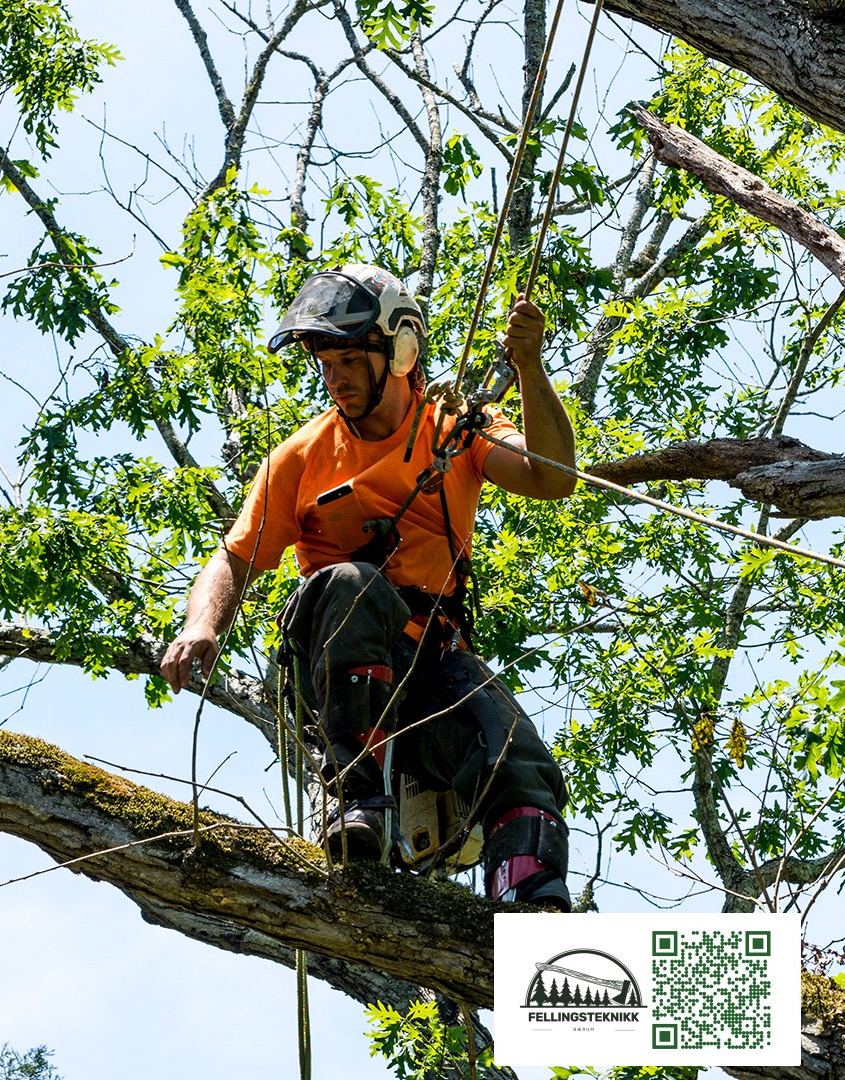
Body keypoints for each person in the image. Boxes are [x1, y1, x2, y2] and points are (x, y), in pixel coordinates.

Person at [159, 263, 576, 909]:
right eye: (325, 361)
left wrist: (529, 368)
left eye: (350, 358)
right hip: (337, 673)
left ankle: (530, 905)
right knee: (355, 583)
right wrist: (201, 626)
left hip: (429, 664)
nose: (334, 376)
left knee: (520, 762)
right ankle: (356, 797)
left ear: (402, 350)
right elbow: (233, 559)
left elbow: (550, 478)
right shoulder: (299, 458)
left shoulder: (455, 426)